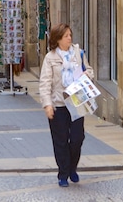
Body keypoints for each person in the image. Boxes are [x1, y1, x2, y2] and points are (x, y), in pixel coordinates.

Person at [39, 23, 95, 188]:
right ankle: (63, 173)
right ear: (57, 39)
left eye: (70, 35)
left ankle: (72, 167)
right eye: (66, 36)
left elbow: (90, 71)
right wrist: (47, 105)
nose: (70, 38)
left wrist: (87, 74)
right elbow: (45, 83)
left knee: (78, 138)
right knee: (61, 140)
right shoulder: (50, 58)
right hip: (59, 104)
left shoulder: (78, 53)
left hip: (77, 102)